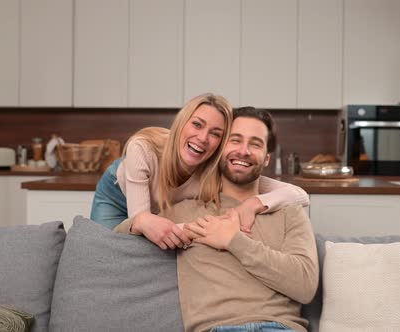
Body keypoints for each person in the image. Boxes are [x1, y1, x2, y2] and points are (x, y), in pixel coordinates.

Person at [116, 107, 319, 332]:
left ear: (267, 158)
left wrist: (234, 241)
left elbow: (305, 286)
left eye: (255, 144)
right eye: (235, 140)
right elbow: (116, 244)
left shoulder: (289, 212)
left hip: (280, 328)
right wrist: (141, 220)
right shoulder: (185, 210)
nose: (244, 151)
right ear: (220, 150)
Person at [91, 93, 310, 250]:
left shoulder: (213, 171)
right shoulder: (143, 147)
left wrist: (252, 204)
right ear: (181, 123)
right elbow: (141, 221)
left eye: (215, 133)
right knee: (100, 252)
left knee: (147, 254)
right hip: (118, 195)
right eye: (197, 125)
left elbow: (299, 194)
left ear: (221, 143)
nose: (203, 138)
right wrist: (210, 230)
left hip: (158, 213)